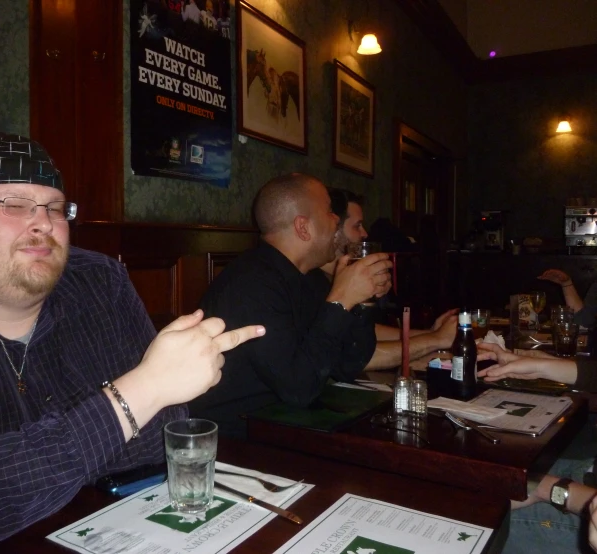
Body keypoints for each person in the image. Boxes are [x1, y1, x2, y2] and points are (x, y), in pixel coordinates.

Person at [0, 132, 264, 552]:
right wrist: (143, 390)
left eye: (55, 208)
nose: (44, 223)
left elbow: (161, 432)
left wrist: (22, 468)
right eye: (14, 205)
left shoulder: (100, 283)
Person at [189, 173, 393, 438]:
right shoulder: (252, 284)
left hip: (284, 427)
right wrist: (341, 301)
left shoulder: (309, 279)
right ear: (303, 227)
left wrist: (361, 302)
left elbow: (348, 365)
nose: (336, 221)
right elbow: (298, 388)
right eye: (330, 211)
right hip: (233, 442)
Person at [478, 343, 597, 553]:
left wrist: (547, 489)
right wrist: (542, 366)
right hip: (588, 472)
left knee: (465, 518)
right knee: (476, 479)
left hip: (580, 512)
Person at [321, 188, 458, 370]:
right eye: (357, 226)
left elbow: (364, 334)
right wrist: (436, 339)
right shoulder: (309, 280)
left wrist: (428, 334)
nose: (365, 234)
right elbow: (357, 357)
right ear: (334, 230)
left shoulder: (330, 278)